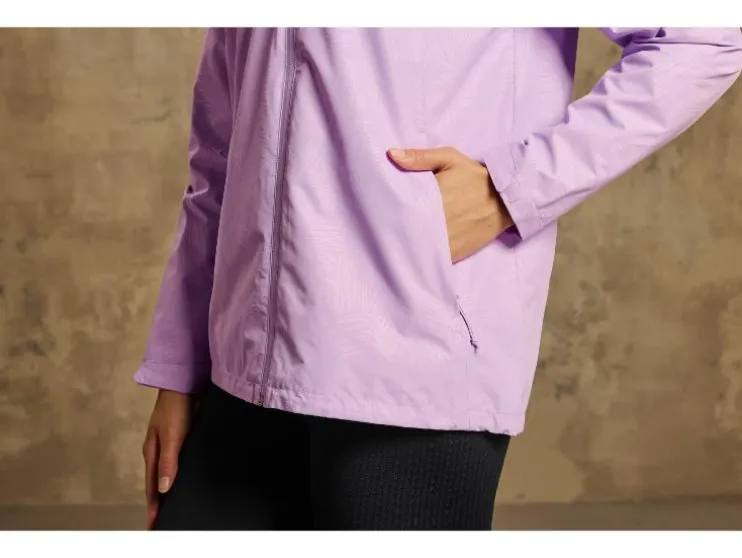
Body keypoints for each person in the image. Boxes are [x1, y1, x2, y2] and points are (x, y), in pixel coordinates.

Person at [137, 28, 742, 530]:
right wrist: (180, 367)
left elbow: (706, 37)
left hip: (414, 361)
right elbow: (220, 149)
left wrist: (512, 188)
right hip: (242, 366)